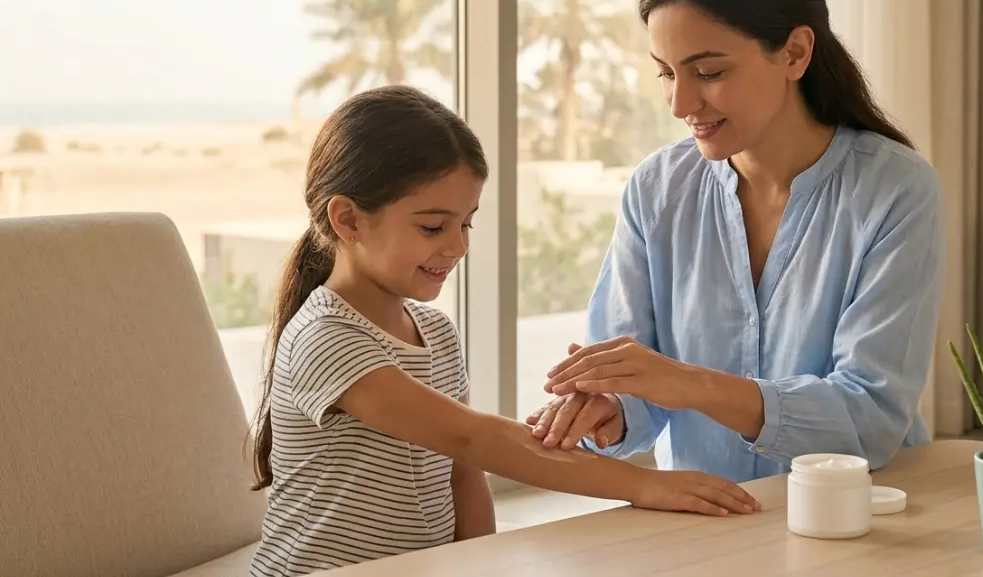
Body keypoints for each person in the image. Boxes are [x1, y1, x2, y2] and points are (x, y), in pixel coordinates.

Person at [247, 86, 759, 577]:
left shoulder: (435, 333)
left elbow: (464, 475)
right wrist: (645, 485)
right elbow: (473, 437)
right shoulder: (325, 338)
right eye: (432, 226)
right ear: (348, 220)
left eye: (466, 223)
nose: (457, 247)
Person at [526, 0, 945, 484]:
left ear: (795, 52)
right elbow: (637, 383)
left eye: (709, 71)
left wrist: (689, 383)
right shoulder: (656, 189)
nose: (680, 102)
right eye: (666, 73)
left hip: (860, 520)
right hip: (707, 526)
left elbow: (868, 420)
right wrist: (612, 409)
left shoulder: (895, 191)